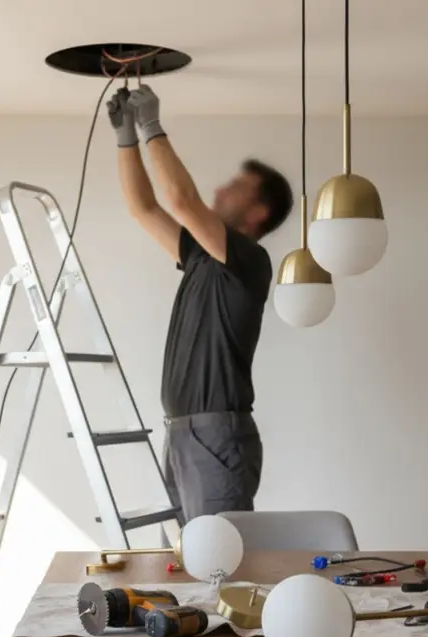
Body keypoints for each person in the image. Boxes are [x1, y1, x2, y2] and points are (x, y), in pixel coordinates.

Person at [107, 84, 294, 525]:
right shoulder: (200, 255)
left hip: (215, 435)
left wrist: (152, 125)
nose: (221, 189)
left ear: (258, 213)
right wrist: (126, 137)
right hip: (181, 432)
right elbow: (144, 208)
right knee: (185, 564)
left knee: (219, 568)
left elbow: (180, 200)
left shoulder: (247, 260)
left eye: (237, 188)